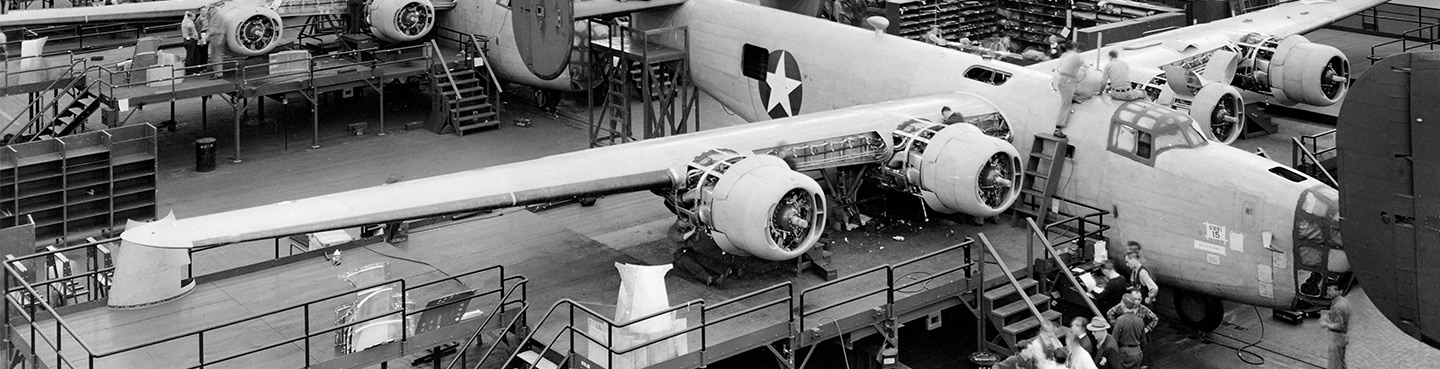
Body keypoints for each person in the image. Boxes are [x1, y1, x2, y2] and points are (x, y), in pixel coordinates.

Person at [1051, 39, 1083, 138]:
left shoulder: (1063, 56)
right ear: (1075, 47)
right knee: (1066, 104)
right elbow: (1082, 65)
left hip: (1063, 79)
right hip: (1069, 80)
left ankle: (1072, 96)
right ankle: (1058, 128)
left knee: (1086, 93)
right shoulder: (1076, 56)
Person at [1319, 282, 1350, 369]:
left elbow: (1340, 326)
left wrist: (1326, 324)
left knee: (1334, 365)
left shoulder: (1337, 306)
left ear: (1339, 291)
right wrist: (1329, 316)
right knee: (1341, 363)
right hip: (1342, 337)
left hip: (1336, 338)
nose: (1327, 292)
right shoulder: (1342, 301)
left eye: (1330, 290)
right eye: (1328, 289)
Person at [1111, 302, 1146, 369]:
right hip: (1137, 352)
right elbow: (1143, 341)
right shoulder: (1140, 320)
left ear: (1123, 305)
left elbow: (1114, 340)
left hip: (1125, 354)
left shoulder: (1120, 320)